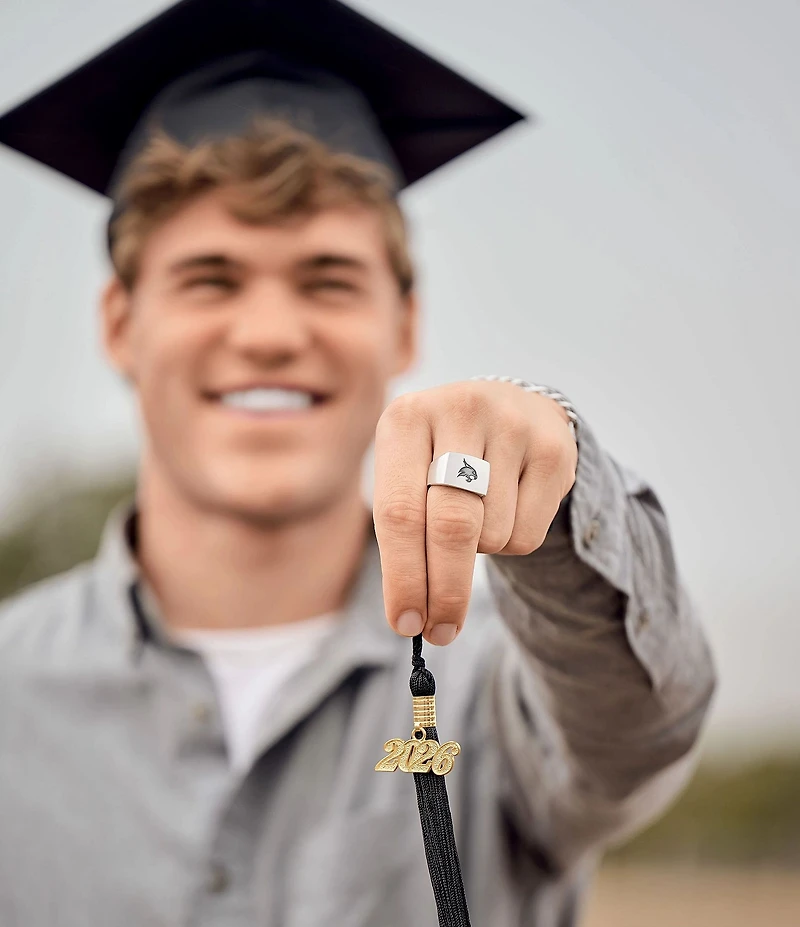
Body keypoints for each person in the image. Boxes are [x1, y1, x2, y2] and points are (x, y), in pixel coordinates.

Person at [0, 0, 715, 925]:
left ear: (404, 325)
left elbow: (642, 728)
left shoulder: (499, 688)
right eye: (210, 277)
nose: (269, 334)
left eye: (328, 279)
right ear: (119, 323)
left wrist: (559, 492)